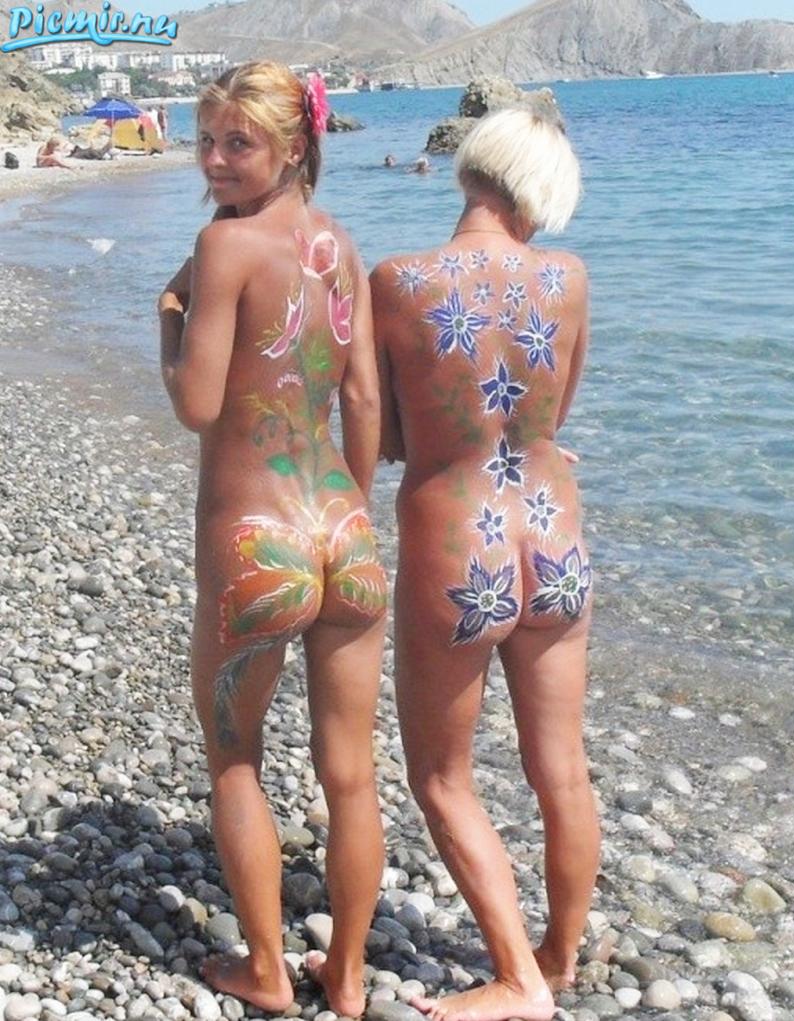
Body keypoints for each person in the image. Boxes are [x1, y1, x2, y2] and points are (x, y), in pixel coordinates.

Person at [158, 61, 387, 1016]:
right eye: (206, 140)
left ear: (294, 146)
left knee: (236, 758)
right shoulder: (340, 244)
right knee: (351, 773)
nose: (214, 159)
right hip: (344, 530)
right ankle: (348, 975)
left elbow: (196, 403)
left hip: (256, 544)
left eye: (237, 143)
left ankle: (266, 968)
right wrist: (356, 505)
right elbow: (364, 400)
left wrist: (167, 321)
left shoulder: (225, 247)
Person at [370, 105, 600, 1021]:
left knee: (442, 776)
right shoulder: (569, 278)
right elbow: (552, 416)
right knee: (563, 768)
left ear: (469, 169)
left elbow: (388, 436)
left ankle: (517, 978)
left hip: (458, 545)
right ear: (539, 193)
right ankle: (561, 954)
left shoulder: (398, 280)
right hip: (555, 540)